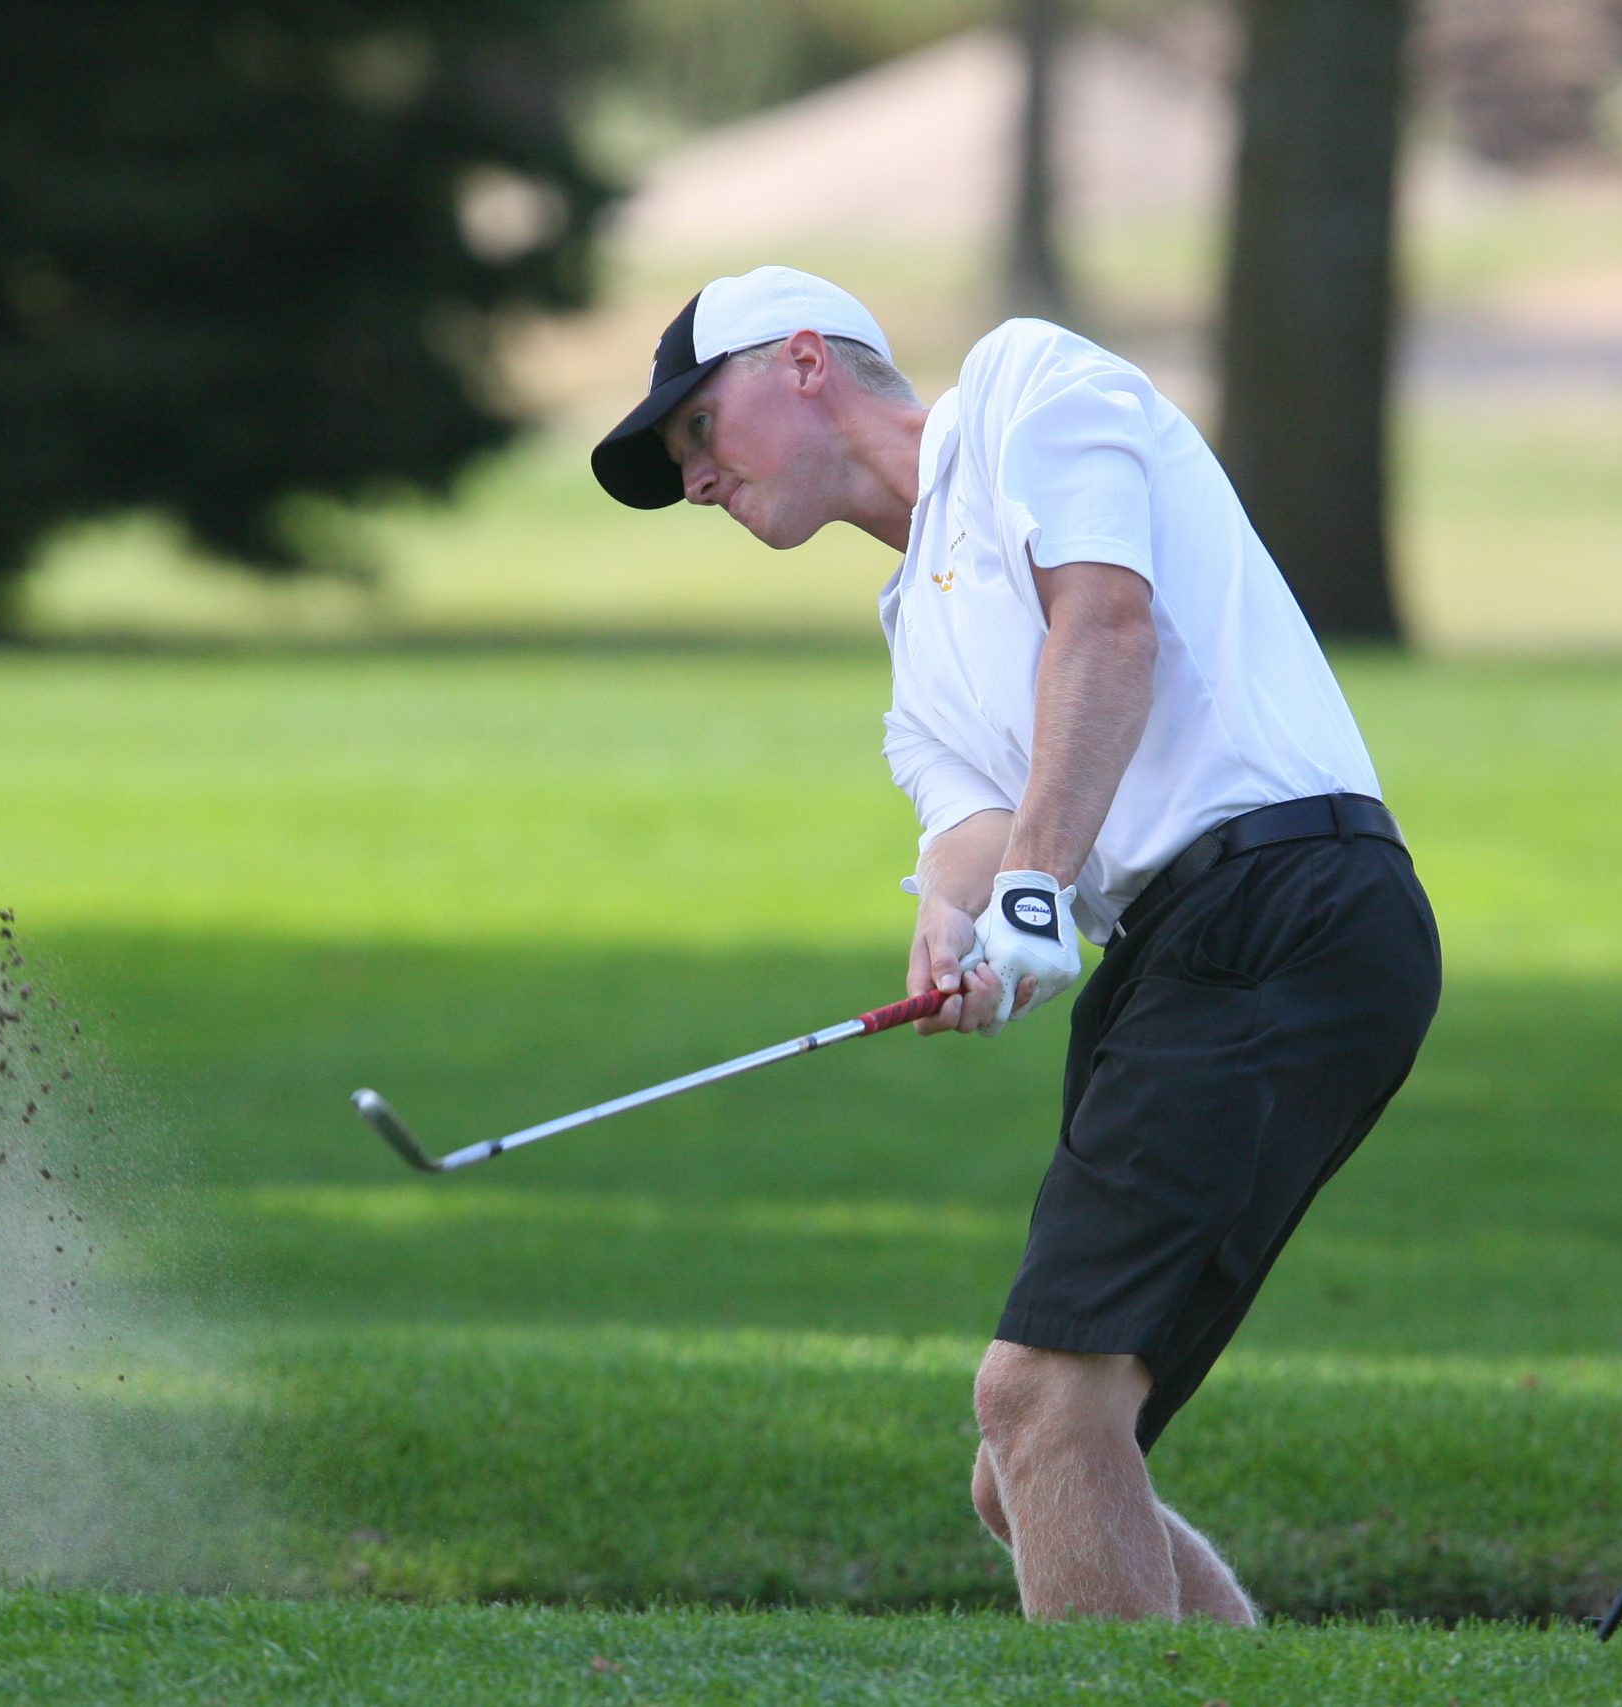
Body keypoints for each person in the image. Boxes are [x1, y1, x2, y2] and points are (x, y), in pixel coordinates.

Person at [591, 265, 1440, 1622]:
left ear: (804, 360)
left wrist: (1035, 893)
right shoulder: (910, 649)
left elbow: (1106, 628)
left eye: (699, 431)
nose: (695, 479)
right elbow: (970, 853)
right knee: (1031, 1456)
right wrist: (958, 941)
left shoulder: (1022, 388)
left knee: (1042, 1395)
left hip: (1287, 896)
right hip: (1181, 955)